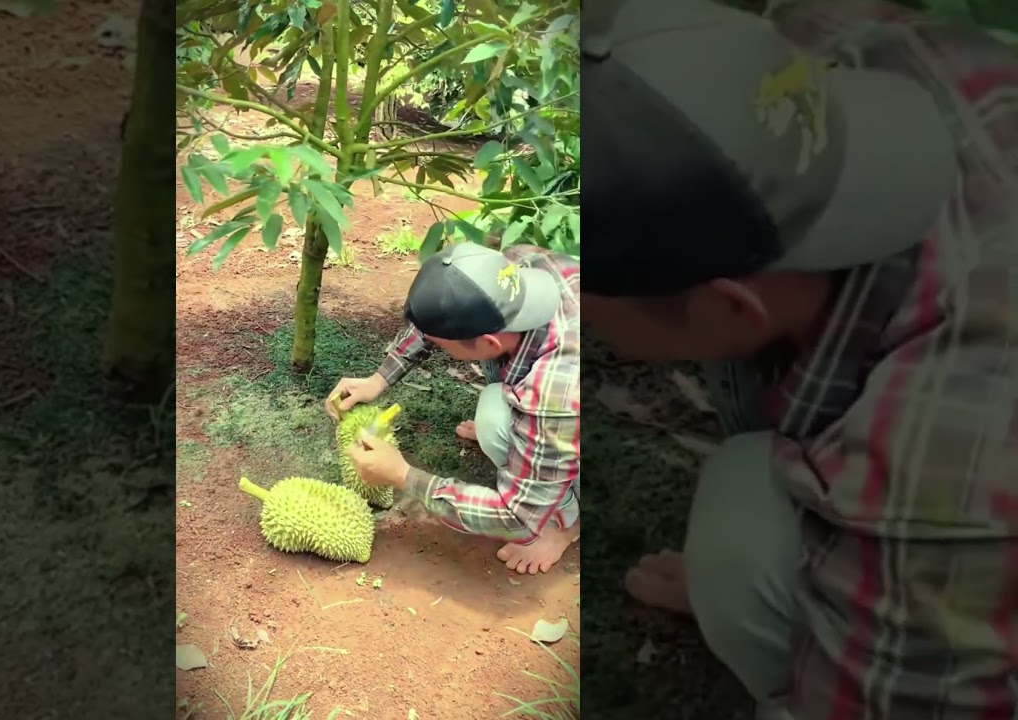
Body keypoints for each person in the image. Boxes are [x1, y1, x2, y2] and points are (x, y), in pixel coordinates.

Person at [581, 0, 1018, 718]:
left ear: (731, 308)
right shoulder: (850, 51)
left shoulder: (936, 458)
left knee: (741, 537)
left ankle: (840, 615)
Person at [325, 241, 580, 575]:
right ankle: (533, 441)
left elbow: (517, 518)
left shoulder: (555, 388)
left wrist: (403, 476)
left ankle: (566, 522)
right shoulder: (516, 270)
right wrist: (379, 378)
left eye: (442, 344)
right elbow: (445, 312)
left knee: (495, 419)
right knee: (497, 410)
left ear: (489, 341)